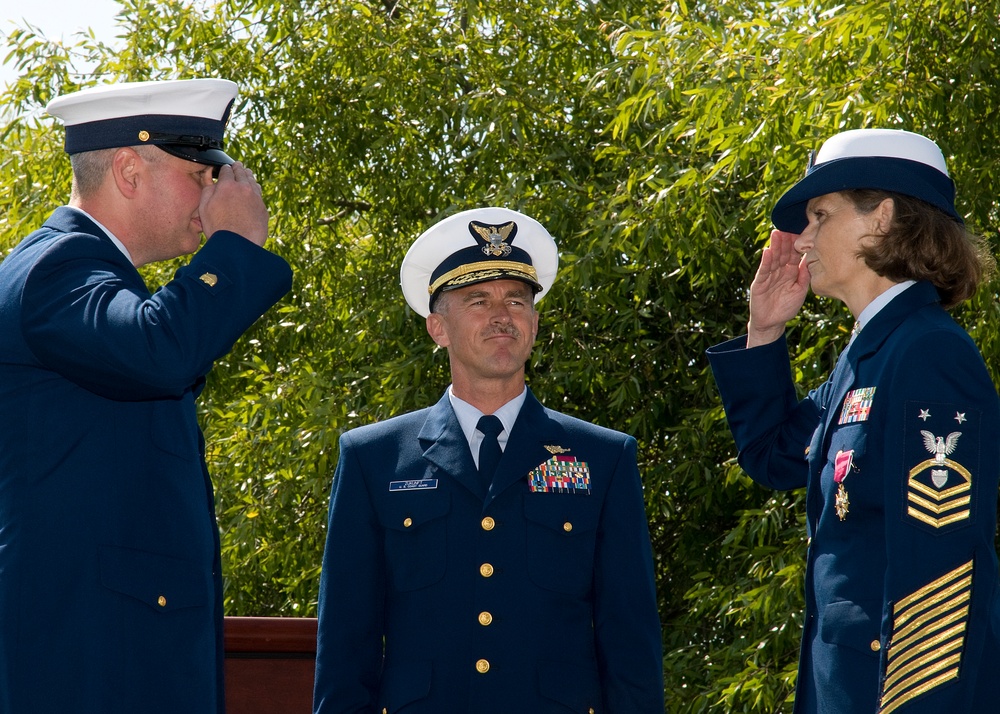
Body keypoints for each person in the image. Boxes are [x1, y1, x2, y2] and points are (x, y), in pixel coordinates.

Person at [0, 78, 293, 713]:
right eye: (200, 174)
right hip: (88, 662)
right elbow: (159, 351)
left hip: (113, 653)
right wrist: (235, 247)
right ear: (130, 170)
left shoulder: (85, 271)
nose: (214, 194)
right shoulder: (58, 266)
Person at [312, 207, 664, 713]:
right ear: (438, 328)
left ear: (535, 324)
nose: (503, 315)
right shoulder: (375, 459)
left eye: (517, 300)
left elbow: (630, 639)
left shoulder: (602, 459)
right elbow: (347, 642)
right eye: (478, 300)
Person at [707, 128, 1000, 713]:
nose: (801, 239)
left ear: (882, 218)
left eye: (820, 216)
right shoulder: (869, 356)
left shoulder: (926, 354)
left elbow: (938, 578)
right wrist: (763, 332)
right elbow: (770, 454)